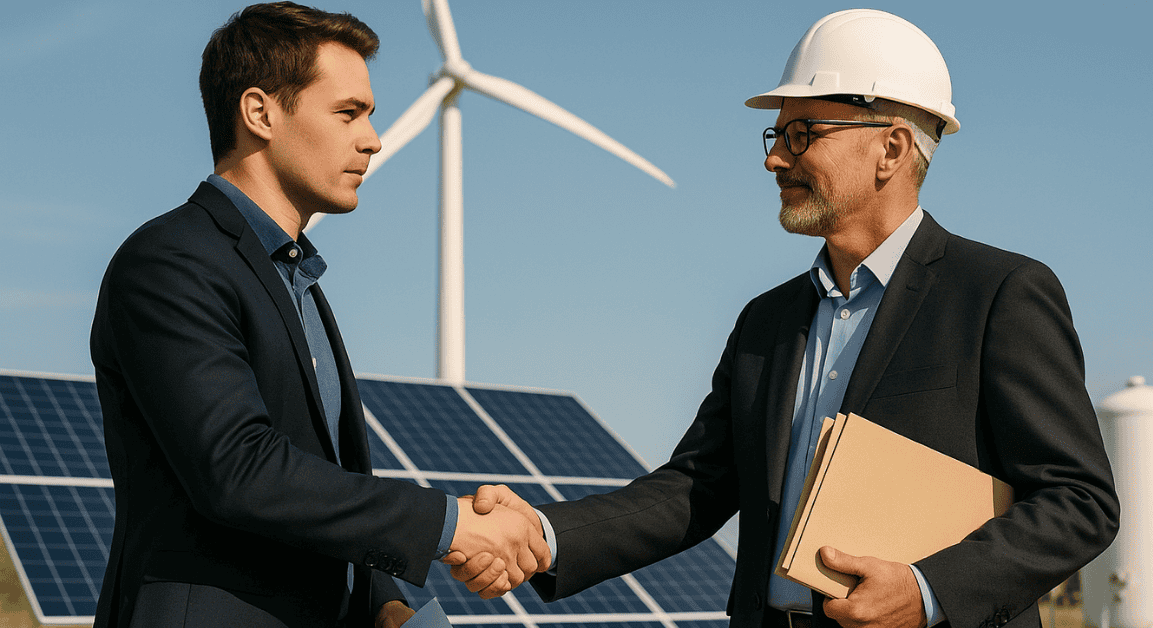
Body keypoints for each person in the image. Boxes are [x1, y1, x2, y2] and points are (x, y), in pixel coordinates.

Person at [458, 9, 1118, 628]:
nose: (775, 159)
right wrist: (543, 535)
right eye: (777, 135)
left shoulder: (997, 294)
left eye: (803, 134)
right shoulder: (765, 324)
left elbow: (1078, 502)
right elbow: (697, 487)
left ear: (889, 149)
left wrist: (927, 591)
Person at [90, 3, 547, 627]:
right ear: (260, 113)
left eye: (372, 115)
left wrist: (387, 603)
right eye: (347, 113)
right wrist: (451, 524)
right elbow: (239, 469)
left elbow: (322, 489)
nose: (373, 139)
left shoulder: (298, 281)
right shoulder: (170, 261)